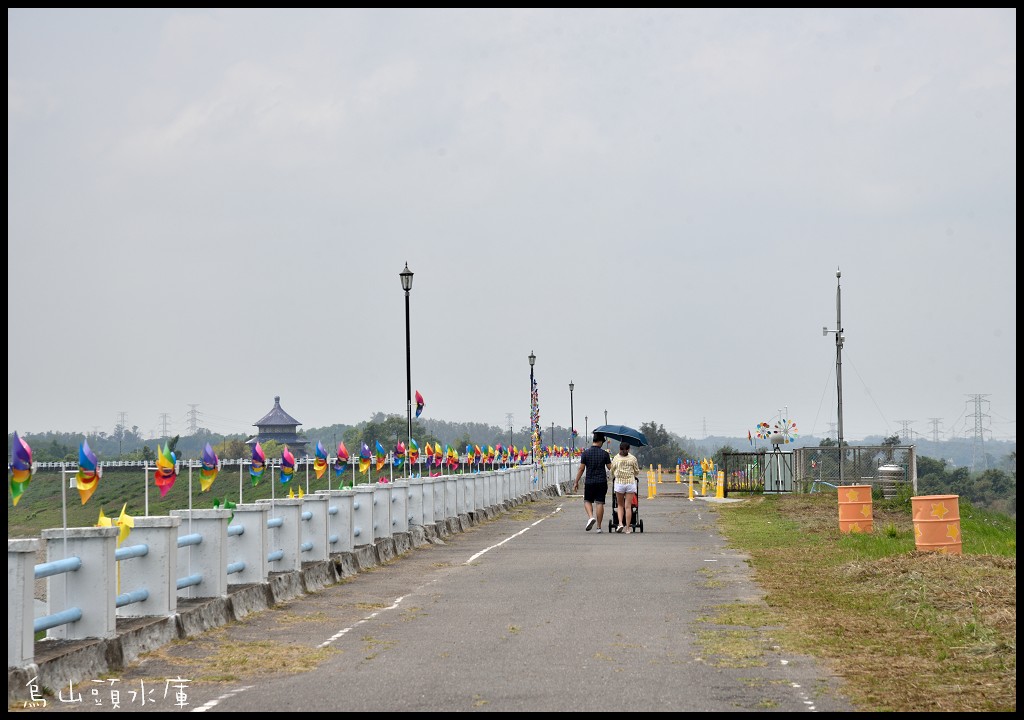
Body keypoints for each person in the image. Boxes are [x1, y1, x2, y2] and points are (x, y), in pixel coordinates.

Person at [573, 431, 612, 532]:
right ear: (600, 442)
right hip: (601, 482)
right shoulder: (605, 454)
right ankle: (598, 527)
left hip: (589, 481)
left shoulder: (585, 453)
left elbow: (581, 469)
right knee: (599, 503)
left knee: (587, 501)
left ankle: (591, 517)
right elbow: (610, 467)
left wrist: (576, 482)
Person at [610, 441, 640, 533]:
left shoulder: (616, 458)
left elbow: (612, 470)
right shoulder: (633, 458)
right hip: (630, 483)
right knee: (628, 507)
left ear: (619, 449)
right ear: (629, 449)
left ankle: (620, 523)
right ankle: (628, 528)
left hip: (619, 483)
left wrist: (615, 475)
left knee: (620, 505)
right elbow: (636, 471)